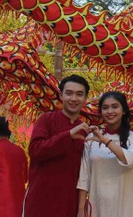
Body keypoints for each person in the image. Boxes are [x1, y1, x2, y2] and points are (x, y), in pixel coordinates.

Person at [23, 75, 90, 217]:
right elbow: (35, 151)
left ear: (85, 99)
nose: (73, 99)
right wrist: (68, 135)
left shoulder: (85, 130)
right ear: (61, 95)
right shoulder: (46, 120)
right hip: (41, 202)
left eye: (79, 94)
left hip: (69, 204)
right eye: (69, 93)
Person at [77, 91, 133, 217]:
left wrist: (104, 140)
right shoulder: (91, 139)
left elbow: (129, 160)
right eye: (105, 107)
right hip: (97, 205)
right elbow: (84, 175)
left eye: (115, 106)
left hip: (125, 207)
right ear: (101, 112)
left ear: (123, 110)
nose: (110, 111)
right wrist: (81, 209)